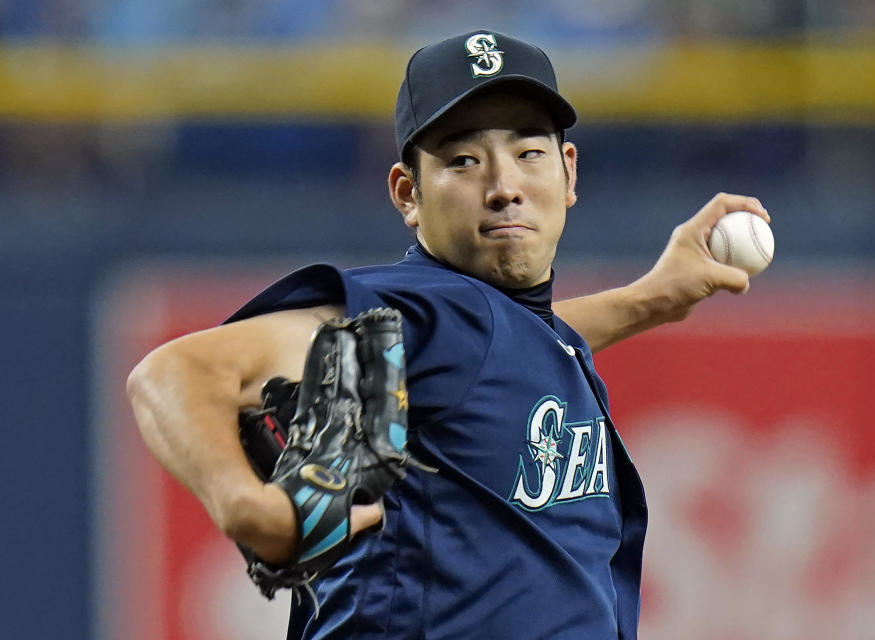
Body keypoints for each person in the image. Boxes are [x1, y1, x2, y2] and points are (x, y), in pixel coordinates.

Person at [127, 30, 769, 639]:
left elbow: (517, 346)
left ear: (568, 173)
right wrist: (247, 506)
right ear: (408, 194)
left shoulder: (490, 336)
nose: (504, 187)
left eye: (529, 152)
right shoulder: (422, 310)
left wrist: (652, 298)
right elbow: (171, 373)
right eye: (463, 161)